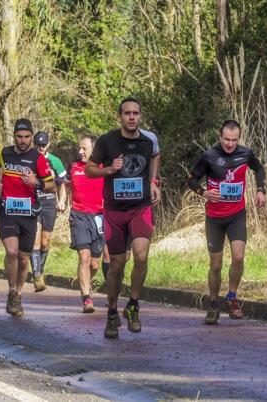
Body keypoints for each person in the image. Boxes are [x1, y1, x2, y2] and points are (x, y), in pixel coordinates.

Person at [86, 97, 161, 339]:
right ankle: (111, 312)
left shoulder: (149, 140)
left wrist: (153, 181)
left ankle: (133, 306)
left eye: (135, 113)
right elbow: (89, 169)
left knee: (141, 256)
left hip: (140, 208)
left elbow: (156, 155)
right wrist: (109, 169)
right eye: (127, 113)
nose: (131, 117)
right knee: (117, 265)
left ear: (140, 116)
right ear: (120, 116)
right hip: (114, 212)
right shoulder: (108, 140)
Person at [187, 119, 266, 324]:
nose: (230, 144)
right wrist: (203, 192)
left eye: (234, 140)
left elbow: (259, 169)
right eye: (226, 139)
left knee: (238, 257)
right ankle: (213, 304)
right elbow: (191, 179)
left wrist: (260, 190)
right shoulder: (209, 156)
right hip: (214, 218)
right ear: (219, 136)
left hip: (236, 215)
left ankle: (231, 297)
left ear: (238, 138)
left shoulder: (245, 153)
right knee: (216, 264)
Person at [0, 118, 55, 317]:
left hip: (29, 212)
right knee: (11, 252)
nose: (23, 140)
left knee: (24, 258)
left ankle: (18, 294)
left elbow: (51, 185)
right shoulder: (4, 153)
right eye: (20, 137)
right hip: (8, 211)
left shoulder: (38, 158)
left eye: (27, 137)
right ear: (14, 136)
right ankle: (11, 291)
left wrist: (37, 182)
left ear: (31, 136)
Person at [65, 136, 106, 313]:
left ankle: (87, 281)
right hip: (78, 215)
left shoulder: (104, 167)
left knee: (95, 264)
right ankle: (86, 298)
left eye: (84, 148)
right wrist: (62, 200)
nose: (80, 152)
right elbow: (64, 184)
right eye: (79, 148)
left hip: (98, 217)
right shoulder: (73, 167)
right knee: (84, 257)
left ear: (94, 150)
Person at [30, 131, 66, 292]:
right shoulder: (29, 159)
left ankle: (40, 272)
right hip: (33, 202)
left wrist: (62, 201)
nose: (40, 148)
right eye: (38, 145)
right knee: (35, 241)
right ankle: (37, 276)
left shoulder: (55, 161)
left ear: (48, 145)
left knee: (45, 242)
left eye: (43, 145)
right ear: (34, 144)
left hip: (50, 203)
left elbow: (62, 184)